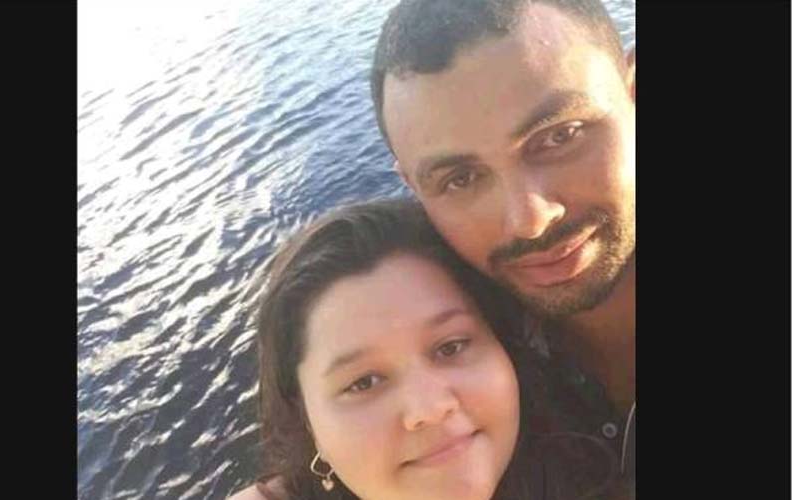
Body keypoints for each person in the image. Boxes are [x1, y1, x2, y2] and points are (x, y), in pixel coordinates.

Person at [369, 0, 636, 495]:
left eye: (559, 137)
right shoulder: (441, 320)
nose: (530, 221)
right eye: (460, 179)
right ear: (415, 188)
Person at [231, 199, 617, 500]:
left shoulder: (601, 456)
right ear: (308, 421)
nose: (429, 409)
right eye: (363, 382)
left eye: (450, 347)